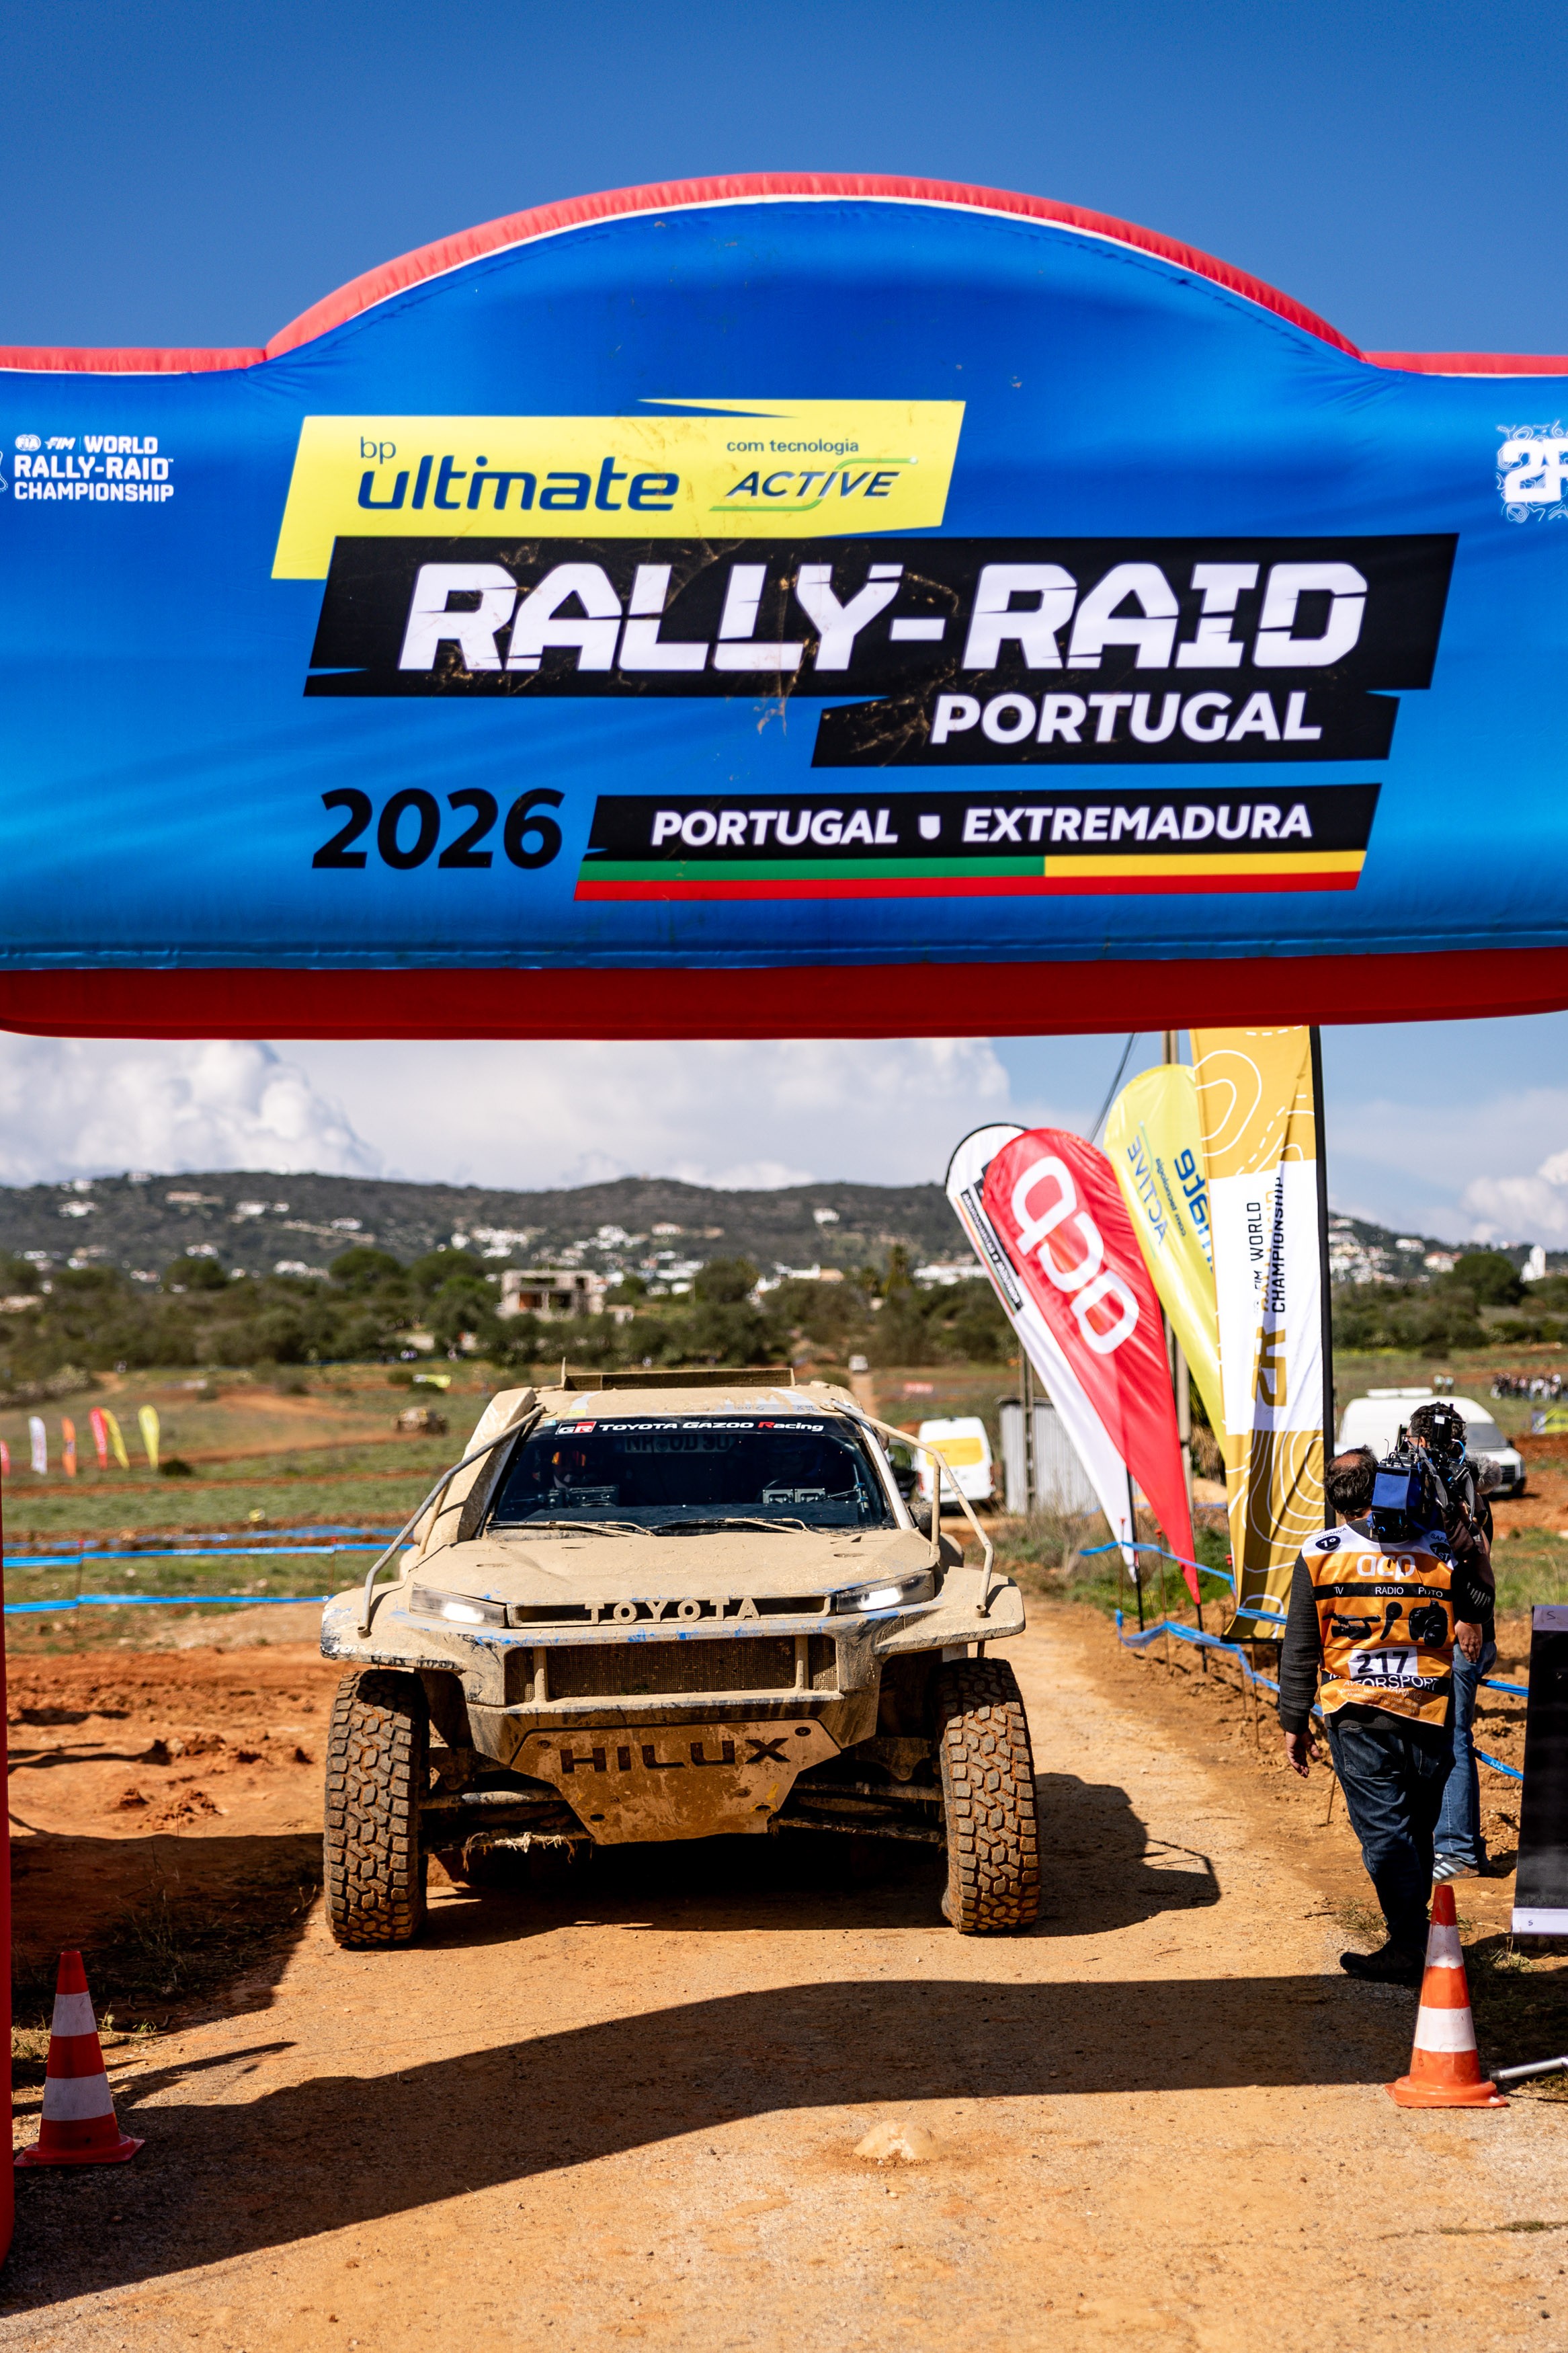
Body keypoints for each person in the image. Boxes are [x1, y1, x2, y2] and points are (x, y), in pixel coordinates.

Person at [1277, 1443, 1491, 1985]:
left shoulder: (1318, 1552)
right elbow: (1479, 1607)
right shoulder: (1437, 1545)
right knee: (1414, 1830)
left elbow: (1300, 1645)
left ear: (1334, 1500)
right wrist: (1470, 1546)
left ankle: (1410, 1946)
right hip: (1429, 1711)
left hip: (1357, 1716)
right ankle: (1416, 1936)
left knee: (1387, 1837)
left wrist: (1292, 1721)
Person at [1407, 1400, 1497, 1882]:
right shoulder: (1458, 1487)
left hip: (1458, 1632)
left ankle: (1457, 1851)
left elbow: (1473, 1558)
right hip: (1441, 1630)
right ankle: (1461, 1846)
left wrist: (1467, 1619)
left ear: (1418, 1439)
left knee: (1451, 1737)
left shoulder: (1455, 1492)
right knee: (1443, 1736)